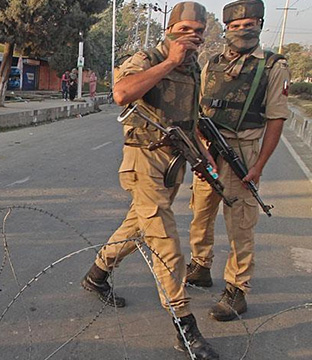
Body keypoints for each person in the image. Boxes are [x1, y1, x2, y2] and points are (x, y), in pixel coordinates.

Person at [80, 3, 219, 359]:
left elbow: (191, 117)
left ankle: (97, 274)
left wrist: (203, 155)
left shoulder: (193, 69)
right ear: (170, 29)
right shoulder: (147, 58)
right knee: (165, 242)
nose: (193, 37)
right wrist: (169, 62)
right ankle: (184, 327)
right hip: (143, 161)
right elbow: (121, 94)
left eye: (199, 31)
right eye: (186, 29)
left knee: (139, 226)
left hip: (173, 163)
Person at [187, 0, 290, 322]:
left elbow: (276, 118)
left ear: (260, 24)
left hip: (242, 151)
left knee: (240, 223)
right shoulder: (212, 63)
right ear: (227, 28)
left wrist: (258, 166)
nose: (243, 29)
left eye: (250, 23)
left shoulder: (273, 66)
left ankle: (237, 288)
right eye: (235, 25)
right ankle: (200, 265)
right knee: (200, 212)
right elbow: (199, 109)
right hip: (208, 152)